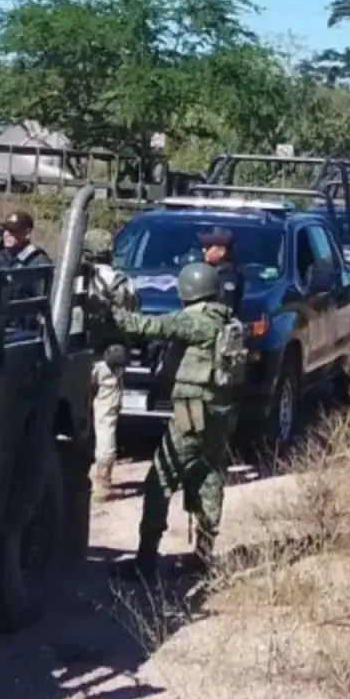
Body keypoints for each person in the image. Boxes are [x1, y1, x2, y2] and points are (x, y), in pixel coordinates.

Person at [100, 262, 248, 584]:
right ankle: (203, 557)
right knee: (209, 476)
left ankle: (145, 562)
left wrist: (111, 311)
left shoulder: (197, 321)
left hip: (192, 410)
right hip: (221, 411)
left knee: (160, 479)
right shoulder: (228, 320)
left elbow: (148, 326)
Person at [83, 228, 133, 502]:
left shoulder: (76, 280)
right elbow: (134, 314)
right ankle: (103, 483)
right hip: (110, 360)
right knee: (106, 421)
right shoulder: (121, 281)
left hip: (79, 358)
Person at [0, 210, 54, 333]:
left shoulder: (38, 261)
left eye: (14, 231)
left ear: (27, 234)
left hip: (25, 330)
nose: (8, 234)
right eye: (6, 230)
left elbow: (43, 301)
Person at [198, 225, 244, 315]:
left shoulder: (227, 276)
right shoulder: (213, 270)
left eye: (208, 247)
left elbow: (225, 308)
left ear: (221, 251)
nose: (203, 250)